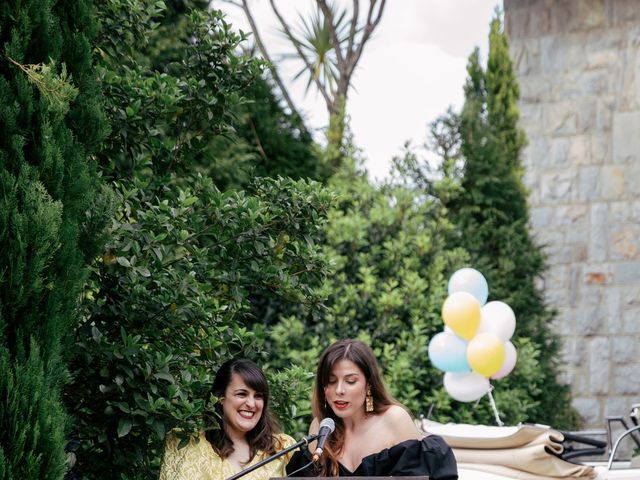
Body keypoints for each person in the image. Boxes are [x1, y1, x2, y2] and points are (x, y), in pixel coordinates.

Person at [286, 339, 458, 478]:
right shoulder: (321, 427)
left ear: (368, 385)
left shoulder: (394, 419)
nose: (339, 390)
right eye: (331, 381)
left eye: (350, 381)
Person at [160, 358, 295, 480]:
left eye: (258, 396)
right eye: (242, 394)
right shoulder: (186, 443)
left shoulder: (283, 448)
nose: (251, 404)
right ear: (220, 398)